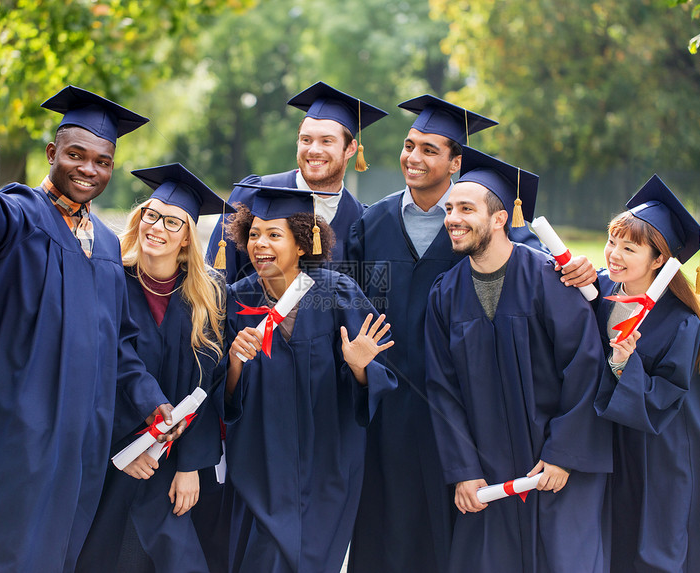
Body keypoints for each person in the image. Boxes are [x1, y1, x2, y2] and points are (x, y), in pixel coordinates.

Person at [0, 86, 182, 573]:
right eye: (76, 155)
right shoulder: (25, 214)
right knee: (5, 541)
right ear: (52, 154)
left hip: (78, 437)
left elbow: (121, 345)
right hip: (21, 425)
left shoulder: (105, 246)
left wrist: (150, 397)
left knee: (55, 546)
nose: (89, 169)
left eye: (102, 161)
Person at [346, 95, 595, 573]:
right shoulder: (370, 224)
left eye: (430, 149)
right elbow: (348, 302)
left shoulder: (485, 229)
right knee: (389, 525)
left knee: (462, 531)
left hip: (470, 411)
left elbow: (545, 282)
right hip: (390, 404)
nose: (414, 157)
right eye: (408, 145)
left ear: (455, 163)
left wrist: (590, 274)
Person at [423, 147, 612, 572]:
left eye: (466, 208)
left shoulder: (549, 280)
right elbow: (442, 389)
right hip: (487, 475)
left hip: (553, 468)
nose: (452, 217)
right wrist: (462, 470)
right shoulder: (444, 294)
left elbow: (585, 367)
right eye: (450, 208)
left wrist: (565, 452)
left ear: (499, 218)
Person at [215, 184, 397, 572]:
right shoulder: (233, 300)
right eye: (254, 234)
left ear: (302, 243)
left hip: (325, 466)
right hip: (257, 465)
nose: (260, 244)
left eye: (274, 234)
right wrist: (233, 361)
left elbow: (374, 384)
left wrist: (359, 365)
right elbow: (223, 398)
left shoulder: (337, 294)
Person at [75, 164, 231, 573]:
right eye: (151, 214)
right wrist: (122, 450)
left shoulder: (207, 296)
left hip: (172, 464)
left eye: (173, 221)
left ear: (186, 238)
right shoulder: (108, 280)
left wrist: (190, 465)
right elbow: (92, 373)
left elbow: (208, 388)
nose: (157, 227)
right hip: (110, 457)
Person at [591, 175, 700, 572]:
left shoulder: (681, 320)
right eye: (612, 241)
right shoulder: (599, 293)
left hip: (671, 447)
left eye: (629, 247)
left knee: (664, 543)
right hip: (620, 440)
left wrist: (626, 362)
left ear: (659, 259)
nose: (614, 255)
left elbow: (664, 397)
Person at [206, 81, 387, 282]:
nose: (314, 150)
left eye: (327, 141)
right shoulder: (255, 194)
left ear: (351, 149)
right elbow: (216, 278)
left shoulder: (361, 219)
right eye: (306, 140)